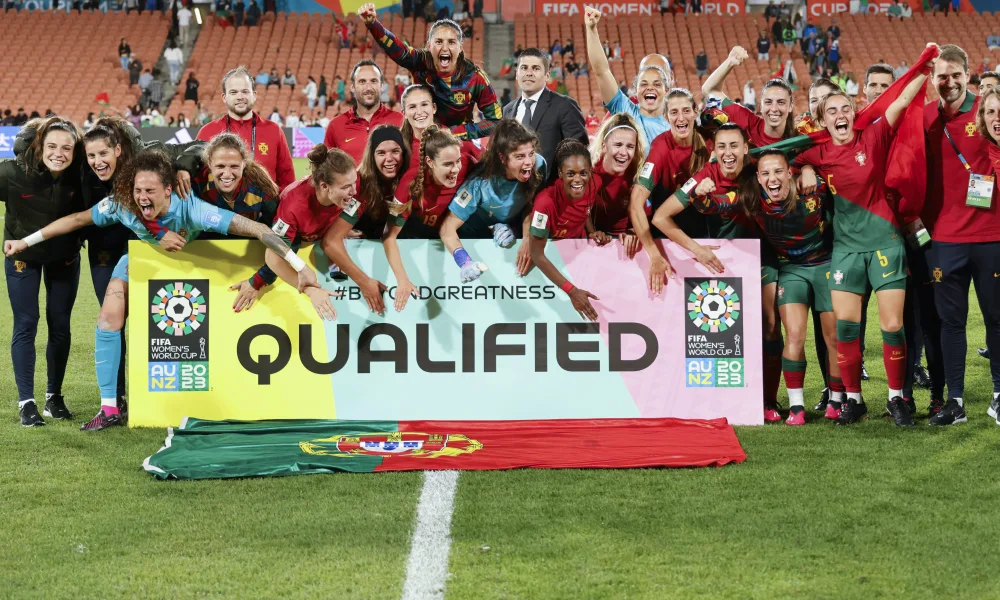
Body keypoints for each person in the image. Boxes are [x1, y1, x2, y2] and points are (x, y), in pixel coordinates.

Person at [4, 150, 321, 431]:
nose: (142, 197)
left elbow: (259, 230)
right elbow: (76, 220)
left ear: (168, 189)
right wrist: (24, 242)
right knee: (107, 317)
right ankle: (110, 408)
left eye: (150, 190)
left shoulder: (192, 209)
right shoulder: (123, 204)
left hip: (189, 265)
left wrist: (298, 265)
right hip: (144, 261)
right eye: (138, 189)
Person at [795, 47, 936, 426]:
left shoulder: (873, 135)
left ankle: (896, 398)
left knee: (892, 325)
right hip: (845, 251)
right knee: (846, 329)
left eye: (845, 109)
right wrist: (804, 171)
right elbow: (782, 163)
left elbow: (901, 98)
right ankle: (853, 399)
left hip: (886, 242)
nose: (840, 116)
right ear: (822, 121)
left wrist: (924, 67)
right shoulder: (816, 152)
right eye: (832, 112)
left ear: (852, 113)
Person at [651, 124, 784, 422]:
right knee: (722, 334)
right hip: (725, 264)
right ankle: (725, 399)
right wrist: (696, 249)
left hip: (763, 258)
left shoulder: (758, 170)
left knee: (771, 325)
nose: (728, 153)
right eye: (722, 146)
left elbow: (791, 165)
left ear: (746, 148)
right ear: (713, 152)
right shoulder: (703, 178)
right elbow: (660, 217)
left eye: (734, 146)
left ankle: (770, 401)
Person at [924, 45, 1000, 425]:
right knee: (950, 322)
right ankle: (955, 402)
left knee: (996, 318)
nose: (949, 82)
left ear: (968, 74)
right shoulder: (924, 118)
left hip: (990, 234)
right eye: (942, 75)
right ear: (933, 78)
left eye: (956, 74)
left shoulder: (989, 112)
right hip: (945, 239)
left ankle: (999, 393)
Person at [1, 117, 85, 427]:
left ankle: (54, 397)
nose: (59, 153)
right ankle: (27, 402)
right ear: (39, 146)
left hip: (64, 257)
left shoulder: (80, 176)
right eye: (52, 146)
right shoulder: (12, 172)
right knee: (26, 323)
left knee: (60, 325)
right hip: (23, 256)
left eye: (67, 147)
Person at [240, 145, 358, 320]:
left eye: (354, 183)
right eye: (347, 187)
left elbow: (356, 206)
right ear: (324, 186)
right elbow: (274, 257)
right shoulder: (293, 203)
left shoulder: (352, 186)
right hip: (295, 238)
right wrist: (309, 290)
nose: (354, 191)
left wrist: (342, 229)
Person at [360, 3, 501, 140]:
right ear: (429, 46)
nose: (445, 48)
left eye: (451, 42)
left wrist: (453, 132)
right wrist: (373, 24)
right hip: (418, 137)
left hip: (457, 145)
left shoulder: (475, 78)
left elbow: (495, 121)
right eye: (439, 42)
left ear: (460, 47)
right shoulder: (420, 62)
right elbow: (397, 48)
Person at [438, 120, 547, 282]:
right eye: (520, 156)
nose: (528, 162)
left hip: (508, 232)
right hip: (473, 236)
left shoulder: (539, 165)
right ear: (502, 158)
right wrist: (464, 262)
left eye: (531, 153)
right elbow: (447, 229)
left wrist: (527, 238)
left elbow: (532, 204)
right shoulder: (478, 184)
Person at [630, 90, 710, 295]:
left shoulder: (710, 143)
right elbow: (636, 202)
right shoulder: (660, 147)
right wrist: (654, 255)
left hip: (706, 228)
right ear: (666, 117)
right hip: (666, 229)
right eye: (674, 112)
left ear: (695, 112)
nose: (681, 118)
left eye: (686, 111)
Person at [527, 139, 602, 321]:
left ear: (591, 172)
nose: (577, 180)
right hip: (553, 264)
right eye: (570, 174)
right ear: (560, 173)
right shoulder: (545, 204)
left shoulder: (595, 183)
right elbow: (536, 254)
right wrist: (572, 291)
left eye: (583, 173)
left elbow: (586, 209)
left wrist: (591, 231)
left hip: (580, 256)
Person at [197, 66, 296, 190]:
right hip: (220, 208)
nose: (240, 97)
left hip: (265, 208)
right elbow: (197, 179)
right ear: (224, 97)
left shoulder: (274, 131)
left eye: (245, 91)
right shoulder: (207, 132)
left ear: (254, 95)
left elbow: (288, 181)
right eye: (233, 92)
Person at [385, 124, 476, 257]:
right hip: (416, 240)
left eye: (458, 161)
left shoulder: (468, 164)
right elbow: (390, 236)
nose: (456, 169)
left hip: (456, 235)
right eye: (447, 164)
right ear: (430, 162)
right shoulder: (410, 181)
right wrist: (402, 278)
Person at [584, 8, 668, 151]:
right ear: (635, 89)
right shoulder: (626, 110)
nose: (650, 87)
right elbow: (601, 71)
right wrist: (591, 29)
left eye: (656, 84)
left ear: (666, 89)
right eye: (644, 83)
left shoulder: (678, 122)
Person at [504, 48, 588, 181]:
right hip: (514, 192)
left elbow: (578, 154)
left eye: (536, 68)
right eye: (524, 68)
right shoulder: (508, 110)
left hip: (551, 192)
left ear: (547, 75)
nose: (529, 73)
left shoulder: (565, 105)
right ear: (516, 73)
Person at [702, 46, 796, 146]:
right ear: (760, 106)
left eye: (781, 102)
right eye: (768, 102)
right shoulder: (746, 121)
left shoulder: (801, 138)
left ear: (790, 106)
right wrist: (729, 62)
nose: (774, 108)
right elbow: (709, 90)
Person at [323, 60, 404, 165]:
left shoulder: (401, 121)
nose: (368, 88)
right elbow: (325, 170)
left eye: (374, 81)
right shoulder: (336, 125)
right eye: (362, 82)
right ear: (352, 87)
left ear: (382, 86)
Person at [586, 114, 645, 257]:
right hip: (596, 243)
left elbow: (645, 214)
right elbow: (583, 210)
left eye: (630, 146)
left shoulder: (638, 174)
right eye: (618, 145)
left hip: (627, 242)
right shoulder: (589, 173)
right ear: (604, 146)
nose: (624, 153)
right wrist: (593, 232)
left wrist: (633, 231)